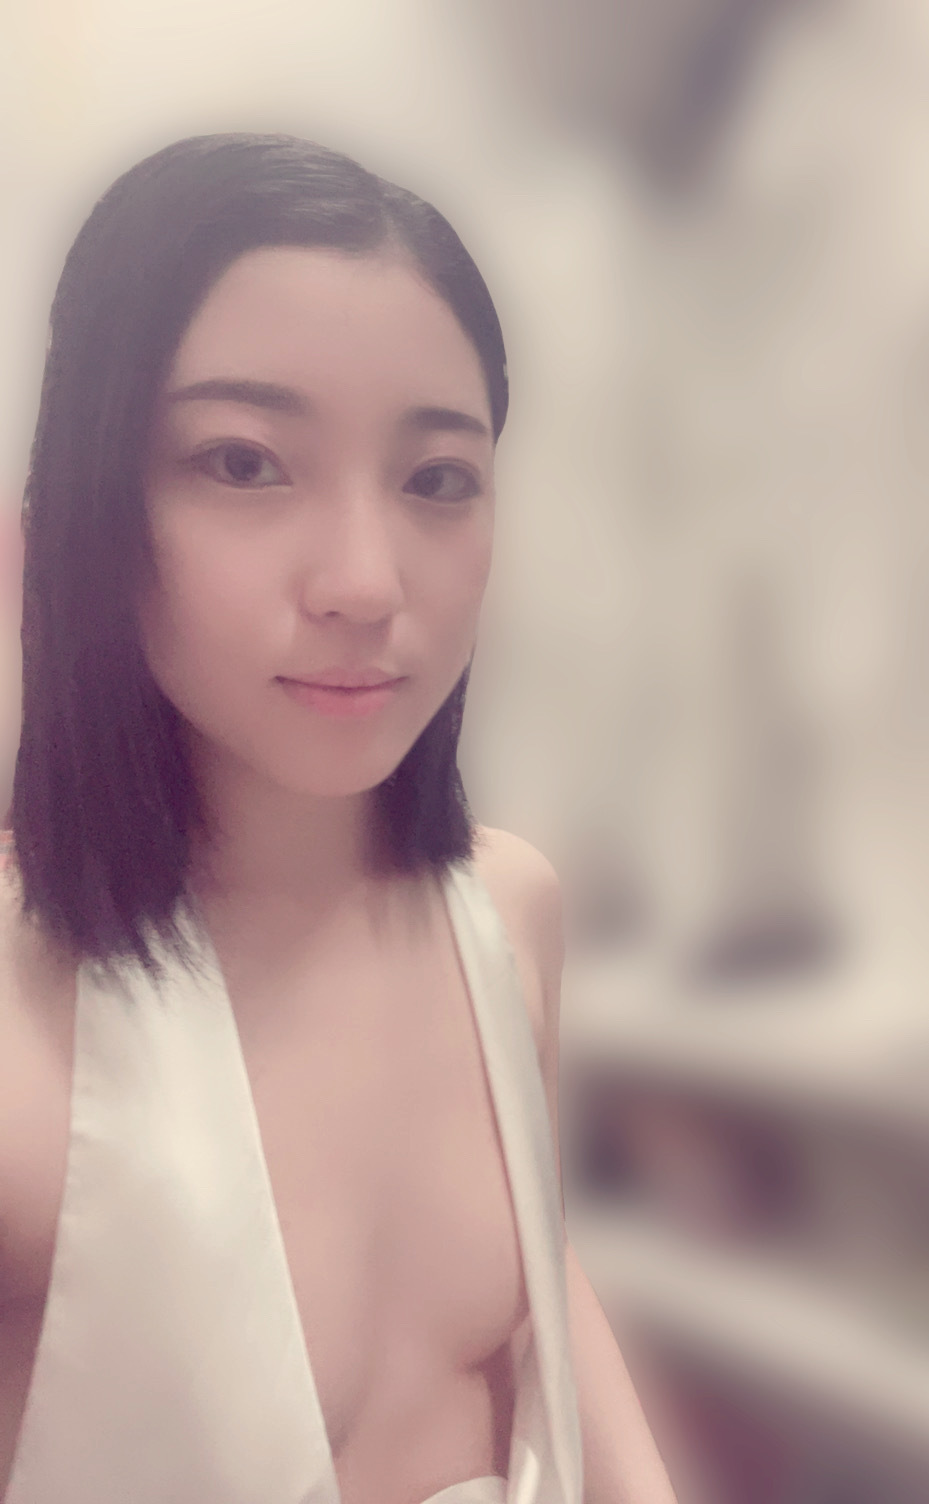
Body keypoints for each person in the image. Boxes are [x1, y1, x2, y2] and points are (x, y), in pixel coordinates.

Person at [0, 134, 677, 1504]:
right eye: (244, 462)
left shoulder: (508, 910)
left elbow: (532, 1278)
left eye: (437, 479)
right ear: (84, 506)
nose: (367, 582)